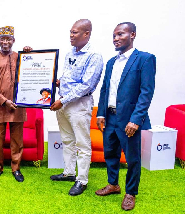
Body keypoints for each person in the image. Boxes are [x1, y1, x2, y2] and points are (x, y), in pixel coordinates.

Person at [95, 22, 156, 211]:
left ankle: (130, 193)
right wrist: (101, 113)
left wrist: (136, 119)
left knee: (132, 158)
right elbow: (105, 89)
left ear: (133, 35)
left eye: (120, 34)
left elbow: (146, 92)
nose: (116, 38)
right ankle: (113, 185)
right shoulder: (111, 62)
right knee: (110, 154)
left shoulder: (145, 59)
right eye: (114, 35)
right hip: (110, 118)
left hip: (130, 120)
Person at [50, 19, 103, 196]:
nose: (71, 36)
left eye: (75, 32)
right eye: (70, 32)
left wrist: (63, 100)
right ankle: (69, 172)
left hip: (78, 105)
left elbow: (86, 85)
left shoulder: (94, 56)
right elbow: (71, 79)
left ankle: (82, 180)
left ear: (86, 34)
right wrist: (59, 84)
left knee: (82, 143)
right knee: (67, 140)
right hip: (63, 103)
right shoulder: (70, 53)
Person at [0, 26, 32, 182]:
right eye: (3, 39)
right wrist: (4, 101)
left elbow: (33, 72)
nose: (5, 42)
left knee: (17, 140)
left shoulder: (20, 57)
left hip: (17, 106)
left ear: (13, 41)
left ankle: (16, 168)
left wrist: (30, 55)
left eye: (8, 39)